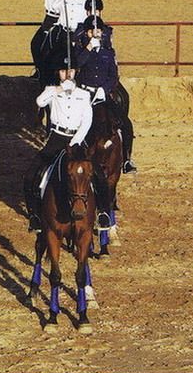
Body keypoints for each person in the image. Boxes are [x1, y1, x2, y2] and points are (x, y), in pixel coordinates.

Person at [23, 57, 112, 233]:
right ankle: (34, 215)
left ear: (75, 72)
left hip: (78, 139)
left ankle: (103, 212)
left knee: (99, 175)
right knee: (32, 174)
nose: (67, 75)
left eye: (70, 71)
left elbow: (87, 119)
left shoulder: (83, 94)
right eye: (64, 72)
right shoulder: (52, 90)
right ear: (59, 73)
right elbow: (40, 102)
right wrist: (58, 89)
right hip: (57, 137)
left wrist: (76, 140)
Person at [76, 16, 137, 173]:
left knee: (125, 124)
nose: (96, 34)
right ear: (87, 33)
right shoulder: (80, 50)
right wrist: (89, 48)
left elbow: (113, 76)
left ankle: (127, 160)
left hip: (102, 95)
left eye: (98, 31)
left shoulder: (107, 53)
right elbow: (77, 64)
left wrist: (104, 89)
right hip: (84, 95)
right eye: (92, 31)